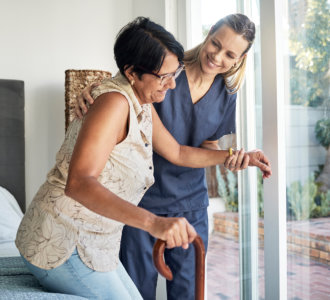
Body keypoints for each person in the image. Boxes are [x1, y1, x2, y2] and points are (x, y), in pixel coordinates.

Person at [15, 17, 267, 300]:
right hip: (65, 238)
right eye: (166, 77)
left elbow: (178, 152)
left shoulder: (146, 102)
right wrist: (152, 222)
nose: (172, 85)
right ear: (133, 73)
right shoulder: (117, 100)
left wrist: (234, 156)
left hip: (106, 235)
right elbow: (79, 182)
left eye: (175, 74)